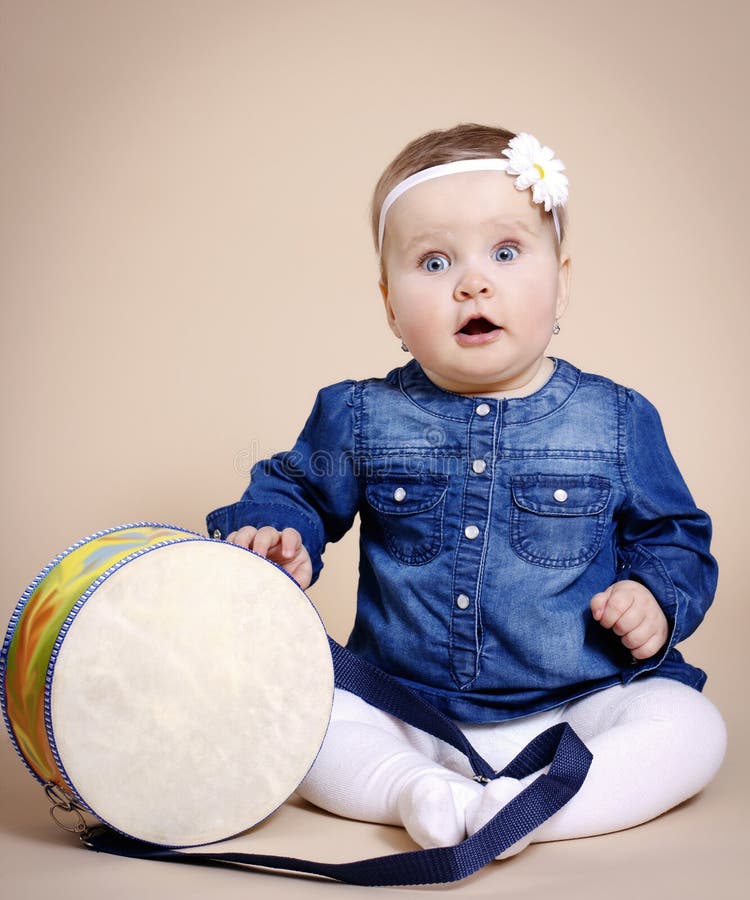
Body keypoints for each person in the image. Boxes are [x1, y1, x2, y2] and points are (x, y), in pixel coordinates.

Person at [206, 124, 727, 857]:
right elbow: (295, 491)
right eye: (434, 261)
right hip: (407, 708)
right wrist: (275, 533)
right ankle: (410, 788)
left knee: (691, 729)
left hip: (579, 706)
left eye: (506, 253)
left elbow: (673, 538)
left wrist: (654, 597)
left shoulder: (615, 419)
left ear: (563, 281)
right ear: (390, 305)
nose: (472, 282)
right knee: (294, 715)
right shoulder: (359, 415)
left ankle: (534, 807)